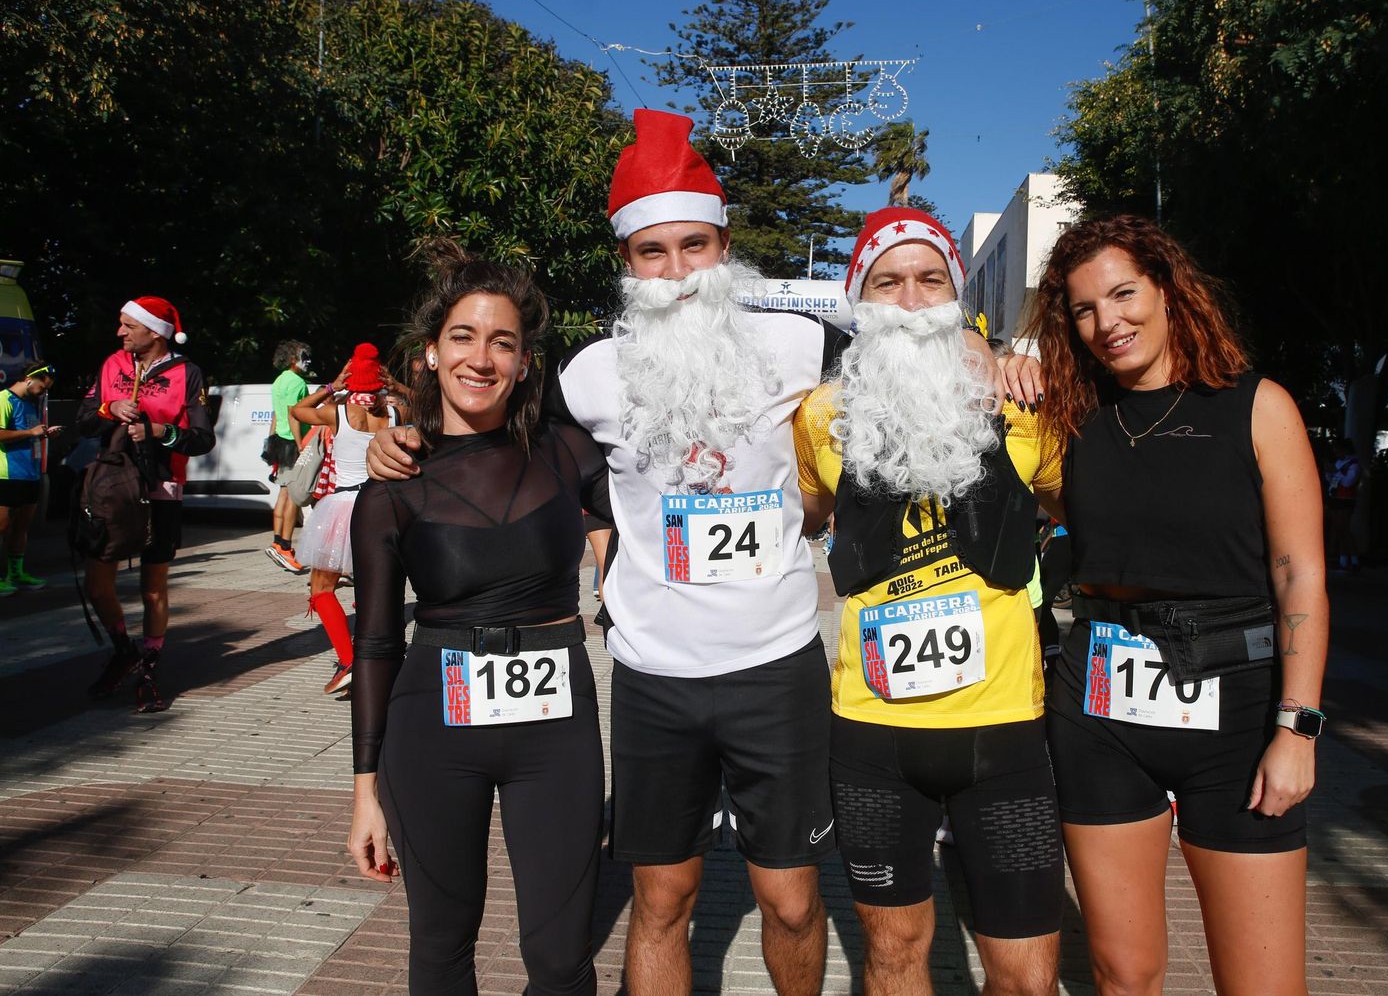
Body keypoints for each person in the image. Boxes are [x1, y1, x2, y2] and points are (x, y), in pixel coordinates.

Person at [368, 110, 1040, 996]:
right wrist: (404, 438)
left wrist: (971, 341)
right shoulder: (587, 376)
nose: (678, 272)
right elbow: (499, 441)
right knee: (661, 902)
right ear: (627, 263)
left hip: (777, 669)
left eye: (694, 245)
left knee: (794, 904)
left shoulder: (799, 343)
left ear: (726, 247)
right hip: (655, 677)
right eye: (653, 252)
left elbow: (899, 331)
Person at [1022, 215, 1328, 995]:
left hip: (1237, 711)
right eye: (1084, 309)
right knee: (1122, 974)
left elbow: (1301, 577)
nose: (1107, 323)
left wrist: (1299, 728)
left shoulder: (1258, 406)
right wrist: (983, 356)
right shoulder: (1072, 414)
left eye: (1124, 294)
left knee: (1262, 984)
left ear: (1167, 290)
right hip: (1099, 707)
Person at [792, 208, 1065, 996]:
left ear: (957, 292)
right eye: (889, 281)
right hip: (875, 735)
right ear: (861, 299)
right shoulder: (821, 415)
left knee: (1024, 974)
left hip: (1005, 732)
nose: (911, 299)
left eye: (929, 278)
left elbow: (1078, 502)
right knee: (895, 956)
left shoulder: (1023, 402)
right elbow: (808, 516)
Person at [345, 243, 611, 994]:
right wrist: (365, 791)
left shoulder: (567, 453)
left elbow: (652, 513)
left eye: (504, 342)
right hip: (431, 724)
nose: (482, 358)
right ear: (430, 352)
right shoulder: (393, 485)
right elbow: (373, 643)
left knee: (562, 957)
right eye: (463, 336)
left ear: (526, 362)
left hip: (555, 725)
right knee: (440, 944)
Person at [80, 297, 216, 712]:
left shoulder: (188, 373)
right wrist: (110, 407)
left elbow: (203, 439)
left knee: (152, 587)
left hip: (162, 488)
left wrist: (160, 430)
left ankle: (149, 668)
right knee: (96, 580)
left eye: (127, 325)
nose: (119, 333)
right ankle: (124, 649)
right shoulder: (112, 366)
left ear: (154, 332)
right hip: (113, 487)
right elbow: (84, 419)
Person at [290, 343, 401, 695]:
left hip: (342, 508)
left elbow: (297, 410)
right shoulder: (396, 412)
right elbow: (434, 407)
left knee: (322, 588)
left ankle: (349, 660)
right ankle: (375, 660)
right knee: (372, 588)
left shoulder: (338, 412)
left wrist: (331, 386)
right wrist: (397, 386)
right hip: (383, 507)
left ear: (351, 377)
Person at [0, 362, 64, 596]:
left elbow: (31, 434)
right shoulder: (3, 399)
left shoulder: (30, 403)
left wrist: (45, 434)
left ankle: (16, 573)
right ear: (29, 379)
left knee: (21, 527)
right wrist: (31, 433)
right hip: (6, 473)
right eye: (42, 387)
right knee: (2, 526)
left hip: (30, 472)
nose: (43, 392)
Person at [265, 339, 312, 573]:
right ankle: (284, 546)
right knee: (293, 496)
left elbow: (277, 413)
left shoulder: (278, 381)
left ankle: (278, 542)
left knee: (283, 493)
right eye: (304, 355)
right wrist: (301, 443)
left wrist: (270, 440)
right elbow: (295, 414)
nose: (308, 360)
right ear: (293, 357)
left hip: (279, 441)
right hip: (292, 442)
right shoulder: (297, 382)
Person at [1324, 438, 1361, 572]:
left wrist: (1335, 472)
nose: (1335, 452)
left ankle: (1352, 560)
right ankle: (1344, 560)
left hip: (1345, 499)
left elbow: (1348, 482)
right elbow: (1332, 480)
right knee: (1339, 530)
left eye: (1337, 449)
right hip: (1335, 497)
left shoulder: (1354, 464)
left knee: (1344, 529)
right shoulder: (1339, 462)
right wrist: (1329, 473)